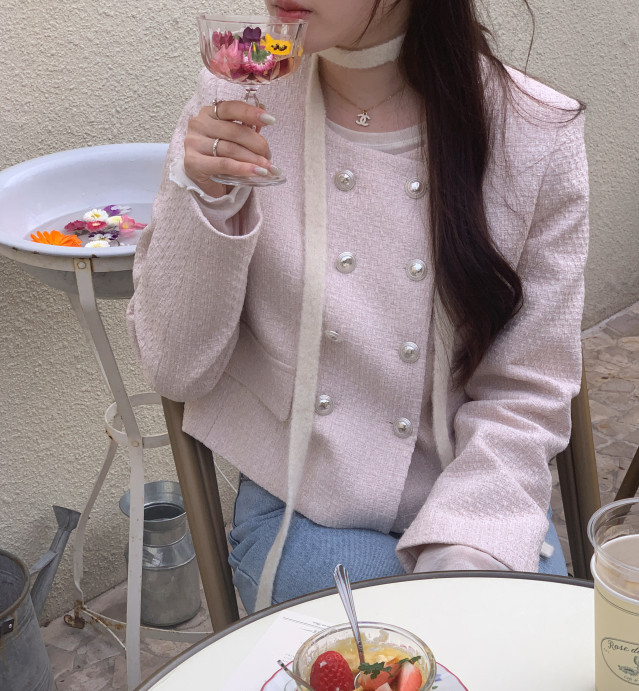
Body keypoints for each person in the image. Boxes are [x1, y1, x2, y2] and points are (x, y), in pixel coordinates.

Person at [128, 0, 589, 613]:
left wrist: (468, 547)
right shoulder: (236, 101)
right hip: (301, 501)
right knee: (400, 643)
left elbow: (528, 391)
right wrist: (207, 199)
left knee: (510, 639)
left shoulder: (533, 135)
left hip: (475, 483)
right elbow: (175, 366)